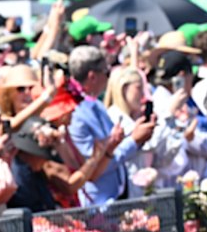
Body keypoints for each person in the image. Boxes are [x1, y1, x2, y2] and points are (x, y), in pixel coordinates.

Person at [66, 46, 155, 206]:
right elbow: (92, 168)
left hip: (114, 199)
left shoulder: (97, 105)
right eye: (106, 73)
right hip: (96, 206)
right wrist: (133, 140)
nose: (108, 78)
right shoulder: (75, 115)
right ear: (92, 76)